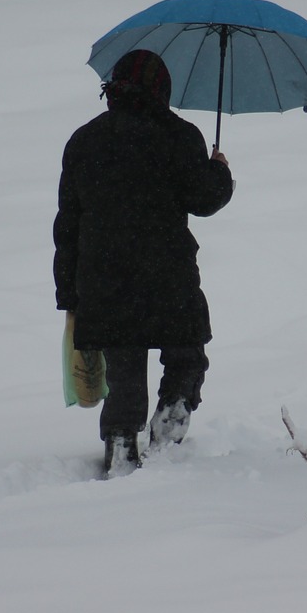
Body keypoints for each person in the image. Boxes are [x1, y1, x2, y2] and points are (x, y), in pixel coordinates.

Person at [53, 49, 234, 477]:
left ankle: (120, 443)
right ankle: (171, 419)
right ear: (162, 89)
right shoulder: (180, 136)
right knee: (186, 354)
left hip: (103, 280)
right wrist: (219, 171)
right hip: (167, 277)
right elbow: (204, 199)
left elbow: (67, 225)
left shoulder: (84, 140)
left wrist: (69, 294)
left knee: (125, 367)